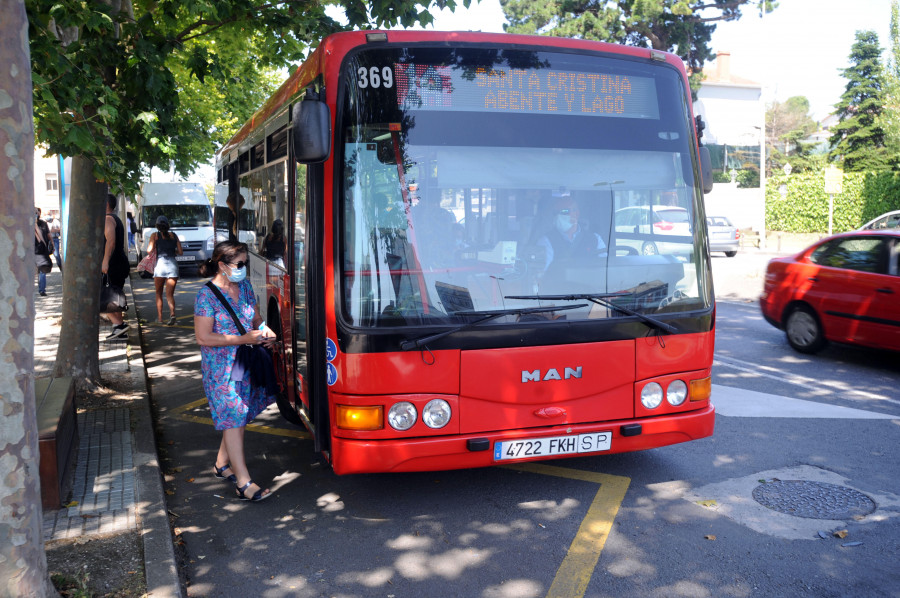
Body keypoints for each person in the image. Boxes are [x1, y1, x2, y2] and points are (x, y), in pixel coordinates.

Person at [194, 240, 276, 502]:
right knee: (234, 417)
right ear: (221, 265)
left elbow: (256, 320)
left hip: (244, 364)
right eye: (239, 264)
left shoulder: (245, 288)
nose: (243, 269)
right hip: (221, 371)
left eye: (245, 264)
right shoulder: (206, 296)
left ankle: (221, 464)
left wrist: (266, 332)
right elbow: (204, 338)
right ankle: (243, 482)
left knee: (237, 417)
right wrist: (243, 340)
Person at [536, 197, 607, 290]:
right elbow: (542, 273)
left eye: (565, 211)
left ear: (576, 214)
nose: (558, 215)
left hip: (590, 293)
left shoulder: (595, 239)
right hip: (560, 293)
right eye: (556, 213)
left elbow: (605, 269)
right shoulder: (546, 241)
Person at [102, 194, 131, 339]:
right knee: (114, 296)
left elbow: (110, 241)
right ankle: (119, 330)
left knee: (101, 297)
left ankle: (120, 325)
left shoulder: (107, 219)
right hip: (118, 263)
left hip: (112, 265)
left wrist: (105, 261)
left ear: (106, 204)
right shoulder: (116, 219)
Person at [147, 215, 183, 325]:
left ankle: (160, 318)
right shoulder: (174, 235)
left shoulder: (155, 235)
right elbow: (180, 252)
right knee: (170, 294)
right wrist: (173, 252)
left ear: (157, 226)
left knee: (158, 293)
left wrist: (153, 245)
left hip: (160, 265)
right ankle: (172, 315)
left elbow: (149, 250)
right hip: (172, 264)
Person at [34, 208, 52, 296]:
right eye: (34, 212)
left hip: (41, 251)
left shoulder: (43, 223)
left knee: (42, 271)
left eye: (37, 212)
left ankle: (42, 290)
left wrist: (51, 244)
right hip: (33, 251)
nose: (36, 214)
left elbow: (48, 235)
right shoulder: (27, 224)